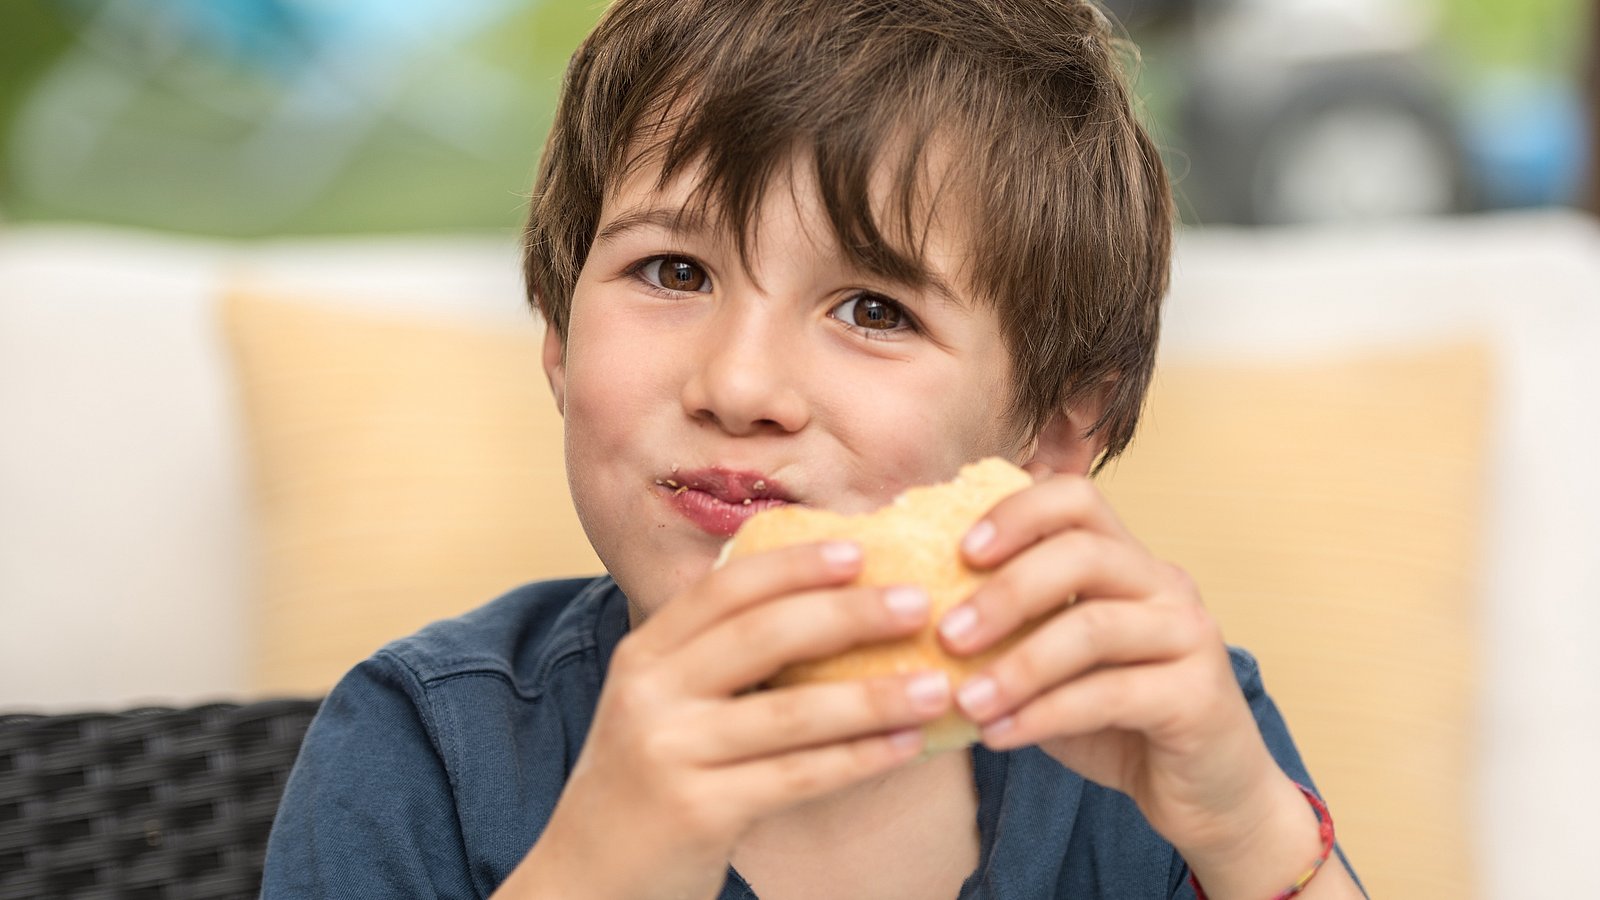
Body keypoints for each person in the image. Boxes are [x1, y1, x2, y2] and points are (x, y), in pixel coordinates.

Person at [261, 0, 1368, 897]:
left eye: (874, 310)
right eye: (674, 273)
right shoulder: (425, 753)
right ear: (557, 325)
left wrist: (1246, 829)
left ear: (1052, 427)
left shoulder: (1151, 729)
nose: (738, 387)